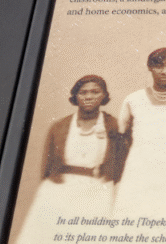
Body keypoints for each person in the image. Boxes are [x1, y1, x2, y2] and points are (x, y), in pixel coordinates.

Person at [13, 75, 123, 242]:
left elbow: (121, 161)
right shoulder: (59, 126)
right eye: (83, 92)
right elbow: (47, 166)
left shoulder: (113, 125)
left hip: (96, 190)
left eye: (95, 92)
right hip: (60, 188)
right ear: (75, 96)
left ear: (104, 96)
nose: (88, 96)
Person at [113, 48, 166, 218]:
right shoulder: (133, 100)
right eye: (158, 66)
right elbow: (122, 139)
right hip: (140, 174)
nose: (165, 71)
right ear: (149, 67)